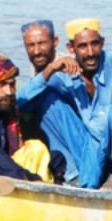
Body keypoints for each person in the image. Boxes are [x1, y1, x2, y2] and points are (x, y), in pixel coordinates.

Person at [18, 18, 112, 190]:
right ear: (71, 48)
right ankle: (76, 177)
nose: (90, 52)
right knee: (47, 100)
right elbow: (21, 101)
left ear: (102, 42)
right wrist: (50, 70)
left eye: (95, 44)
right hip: (92, 151)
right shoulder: (64, 74)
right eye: (82, 46)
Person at [16, 19, 86, 185]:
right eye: (30, 45)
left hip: (80, 149)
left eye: (41, 43)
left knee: (48, 100)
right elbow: (20, 100)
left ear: (55, 42)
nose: (36, 51)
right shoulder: (41, 69)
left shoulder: (68, 68)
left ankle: (74, 175)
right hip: (58, 148)